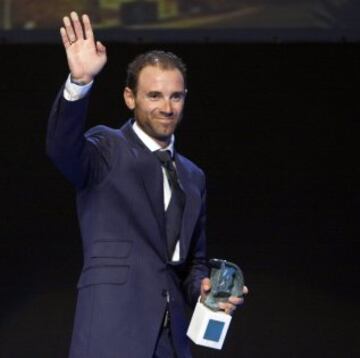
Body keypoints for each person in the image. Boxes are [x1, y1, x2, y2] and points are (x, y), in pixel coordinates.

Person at [47, 11, 246, 358]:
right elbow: (62, 149)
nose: (166, 108)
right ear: (129, 97)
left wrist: (203, 287)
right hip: (112, 333)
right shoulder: (107, 148)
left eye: (176, 97)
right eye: (154, 96)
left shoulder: (192, 175)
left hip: (171, 341)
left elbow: (189, 262)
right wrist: (78, 83)